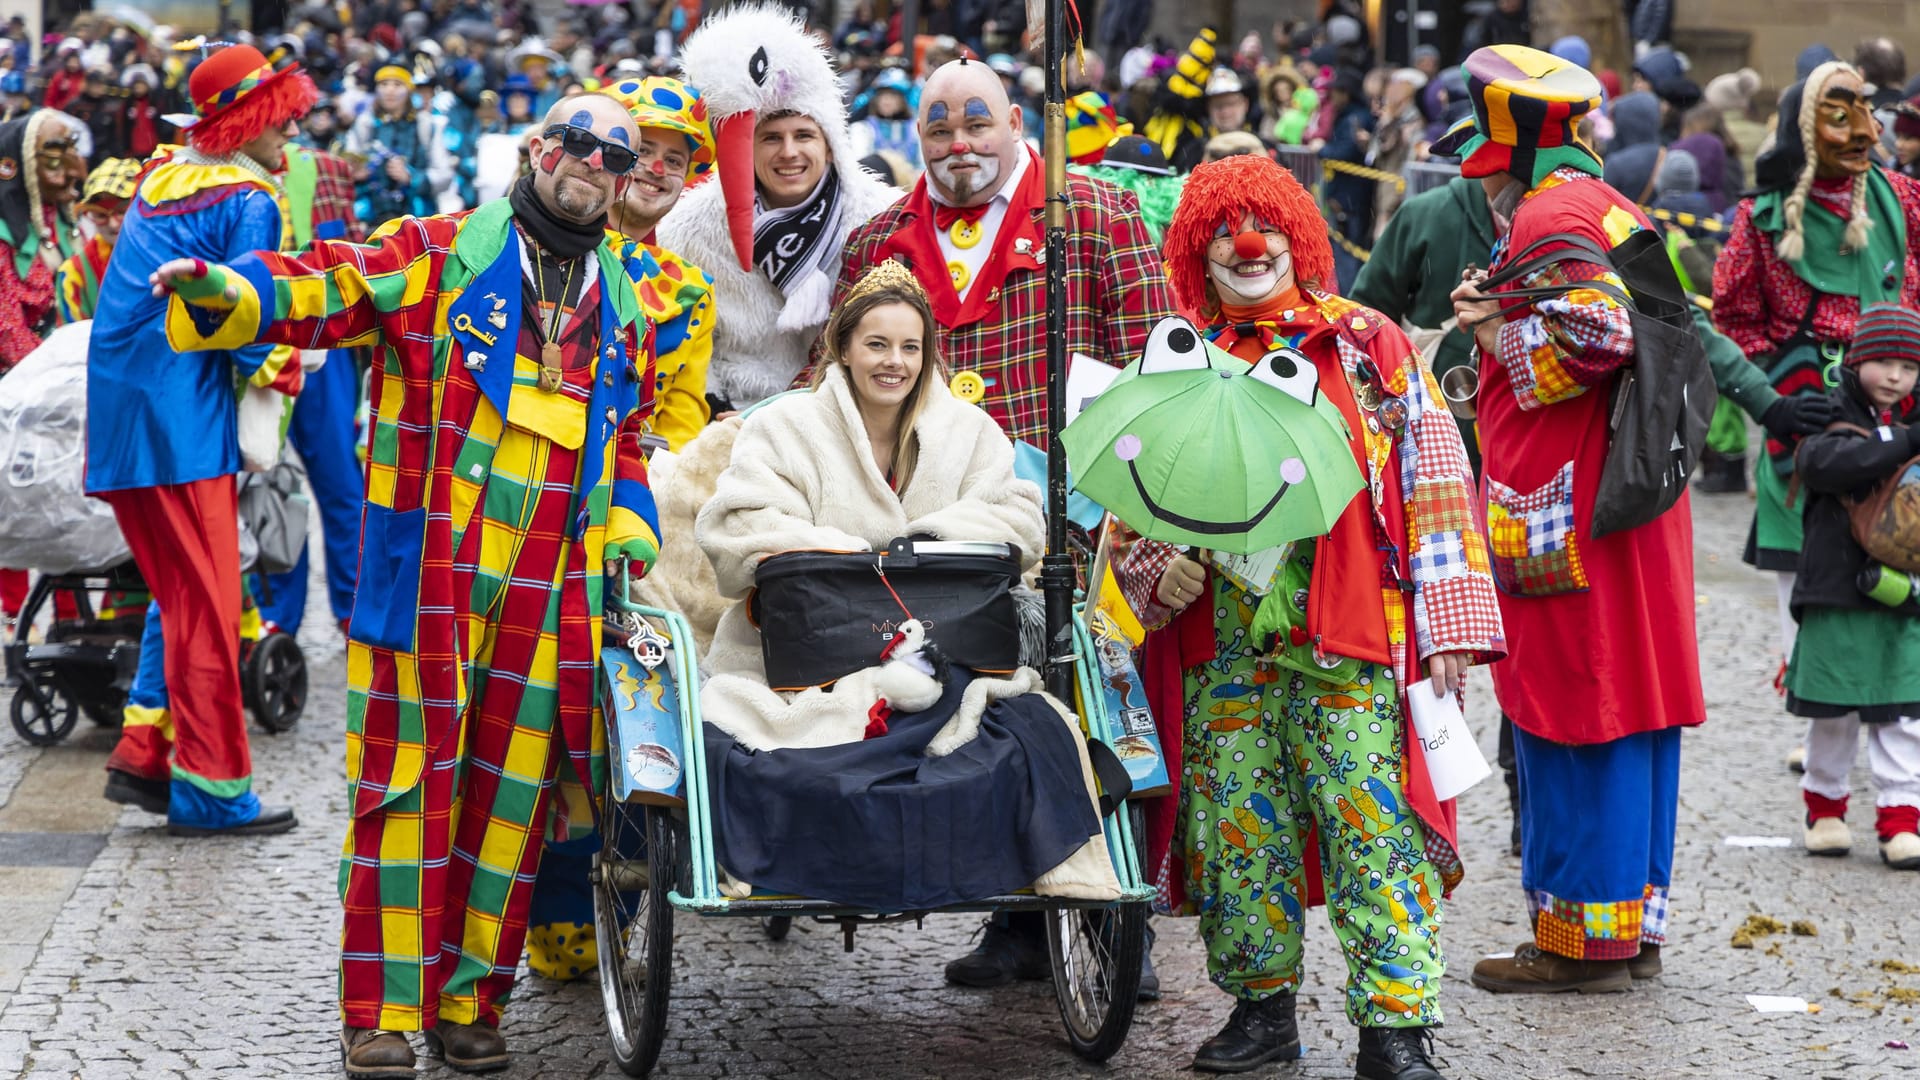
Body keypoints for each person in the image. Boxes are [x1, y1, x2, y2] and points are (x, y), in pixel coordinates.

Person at [148, 92, 665, 1078]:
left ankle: (471, 999)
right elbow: (327, 281)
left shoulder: (626, 300)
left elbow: (628, 435)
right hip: (429, 568)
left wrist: (630, 532)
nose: (591, 161)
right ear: (535, 146)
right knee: (399, 788)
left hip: (548, 584)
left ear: (624, 176)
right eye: (575, 140)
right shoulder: (434, 251)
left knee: (510, 801)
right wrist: (228, 288)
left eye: (614, 152)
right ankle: (378, 1014)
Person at [1114, 153, 1500, 1079]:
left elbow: (1436, 473)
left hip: (1351, 632)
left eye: (1266, 228)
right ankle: (1261, 1011)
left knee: (1373, 824)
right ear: (1197, 253)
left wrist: (1447, 623)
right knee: (1241, 826)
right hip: (1225, 646)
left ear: (1299, 236)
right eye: (1222, 233)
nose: (1247, 247)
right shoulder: (1179, 358)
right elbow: (1135, 502)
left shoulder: (1368, 343)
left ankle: (1395, 1032)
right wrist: (1154, 570)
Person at [692, 259, 1116, 909]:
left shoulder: (969, 432)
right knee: (750, 745)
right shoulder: (783, 429)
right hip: (801, 663)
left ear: (928, 355)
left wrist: (929, 541)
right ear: (842, 348)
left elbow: (1019, 518)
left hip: (948, 655)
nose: (894, 362)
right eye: (877, 344)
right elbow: (737, 528)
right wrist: (848, 557)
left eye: (910, 347)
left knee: (1035, 731)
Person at [1439, 44, 1706, 993]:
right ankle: (1631, 929)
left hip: (1569, 509)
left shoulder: (1551, 212)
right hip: (1623, 502)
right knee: (1631, 708)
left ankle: (1577, 945)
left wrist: (1489, 331)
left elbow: (1602, 331)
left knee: (1577, 707)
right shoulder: (1608, 204)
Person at [83, 44, 316, 835]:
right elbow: (243, 313)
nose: (288, 139)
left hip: (123, 416)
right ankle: (212, 792)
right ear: (248, 122)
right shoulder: (251, 198)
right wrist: (284, 365)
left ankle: (148, 757)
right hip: (180, 421)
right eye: (279, 123)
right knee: (211, 604)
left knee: (183, 596)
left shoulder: (160, 174)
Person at [521, 75, 719, 982]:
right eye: (644, 151)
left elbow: (676, 420)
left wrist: (634, 513)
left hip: (627, 523)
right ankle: (533, 903)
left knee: (625, 718)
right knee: (533, 728)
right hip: (523, 516)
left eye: (679, 162)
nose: (656, 170)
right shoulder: (532, 247)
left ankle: (619, 899)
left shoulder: (683, 292)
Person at [1712, 60, 1920, 727]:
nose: (1865, 128)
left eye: (1866, 109)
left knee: (1900, 565)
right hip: (1805, 418)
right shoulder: (1759, 220)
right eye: (1841, 112)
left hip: (1897, 410)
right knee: (1811, 577)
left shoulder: (1902, 202)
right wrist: (1775, 391)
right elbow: (1733, 321)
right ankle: (1819, 712)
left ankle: (1890, 711)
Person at [832, 57, 1173, 450]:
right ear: (920, 133)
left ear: (1014, 123)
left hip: (1060, 501)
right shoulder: (874, 242)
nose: (960, 144)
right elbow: (832, 373)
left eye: (977, 126)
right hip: (918, 498)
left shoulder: (1100, 216)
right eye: (941, 131)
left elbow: (1154, 370)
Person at [656, 2, 899, 414]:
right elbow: (683, 341)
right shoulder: (689, 230)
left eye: (803, 135)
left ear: (829, 143)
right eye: (770, 138)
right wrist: (715, 407)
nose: (789, 153)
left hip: (852, 416)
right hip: (731, 419)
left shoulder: (882, 217)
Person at [1787, 302, 1920, 869]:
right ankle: (1826, 811)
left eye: (1909, 367)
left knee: (1902, 715)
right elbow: (1826, 465)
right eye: (1884, 362)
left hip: (1899, 594)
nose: (1896, 377)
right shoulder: (1827, 410)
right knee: (1833, 715)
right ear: (1859, 358)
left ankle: (1901, 820)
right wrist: (1907, 439)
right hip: (1837, 589)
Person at [343, 65, 451, 227]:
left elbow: (444, 174)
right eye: (384, 84)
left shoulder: (426, 125)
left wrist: (411, 177)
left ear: (408, 91)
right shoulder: (364, 124)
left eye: (397, 85)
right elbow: (347, 169)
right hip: (370, 220)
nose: (390, 91)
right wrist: (358, 174)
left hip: (417, 220)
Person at [55, 157, 137, 324]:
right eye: (100, 215)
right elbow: (74, 341)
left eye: (121, 212)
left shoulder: (170, 252)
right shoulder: (74, 273)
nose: (113, 224)